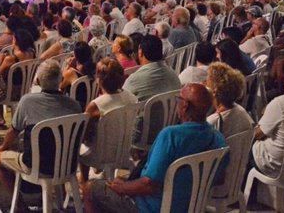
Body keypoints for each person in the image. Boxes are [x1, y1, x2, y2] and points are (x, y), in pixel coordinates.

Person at [84, 83, 227, 213]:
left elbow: (148, 185)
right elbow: (220, 178)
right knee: (123, 179)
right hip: (193, 207)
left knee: (90, 189)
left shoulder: (170, 136)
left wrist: (123, 188)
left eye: (179, 99)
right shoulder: (218, 139)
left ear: (185, 106)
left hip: (151, 207)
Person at [0, 59, 82, 207]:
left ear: (38, 81)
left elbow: (13, 132)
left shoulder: (27, 102)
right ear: (60, 80)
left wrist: (2, 147)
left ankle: (20, 208)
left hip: (36, 166)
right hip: (67, 165)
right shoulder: (75, 105)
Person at [79, 58, 138, 183]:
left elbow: (84, 134)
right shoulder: (131, 98)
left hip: (101, 156)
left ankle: (84, 182)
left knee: (81, 151)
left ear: (99, 80)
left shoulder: (96, 105)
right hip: (125, 151)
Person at [205, 62, 254, 137]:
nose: (204, 83)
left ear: (214, 91)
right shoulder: (242, 112)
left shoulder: (211, 123)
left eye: (207, 82)